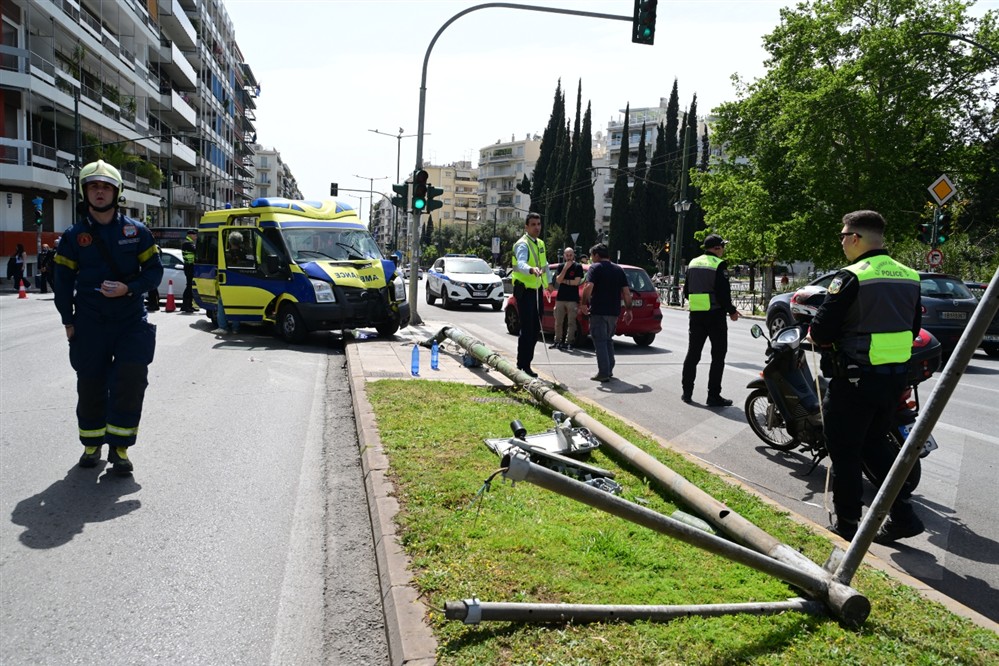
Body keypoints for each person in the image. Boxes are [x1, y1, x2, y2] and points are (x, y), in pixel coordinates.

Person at [809, 210, 923, 544]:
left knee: (845, 452)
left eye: (844, 236)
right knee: (875, 444)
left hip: (854, 380)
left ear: (856, 238)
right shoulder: (909, 275)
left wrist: (825, 338)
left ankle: (846, 525)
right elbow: (913, 327)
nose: (843, 242)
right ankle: (903, 514)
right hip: (893, 379)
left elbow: (821, 330)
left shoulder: (851, 276)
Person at [53, 159, 162, 475]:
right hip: (89, 323)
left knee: (130, 381)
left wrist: (129, 288)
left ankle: (120, 447)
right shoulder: (74, 237)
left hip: (130, 322)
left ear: (117, 192)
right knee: (90, 383)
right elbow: (62, 283)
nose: (99, 191)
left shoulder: (136, 232)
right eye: (93, 186)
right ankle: (91, 443)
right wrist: (68, 321)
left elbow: (153, 272)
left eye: (106, 186)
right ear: (85, 192)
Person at [681, 234, 740, 406]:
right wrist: (732, 311)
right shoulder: (718, 265)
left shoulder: (692, 263)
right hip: (715, 315)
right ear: (716, 248)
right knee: (718, 356)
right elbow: (723, 294)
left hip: (696, 315)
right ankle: (713, 396)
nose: (723, 250)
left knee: (693, 354)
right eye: (722, 247)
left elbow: (686, 292)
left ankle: (687, 392)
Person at [579, 243, 632, 383]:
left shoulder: (595, 268)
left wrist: (584, 303)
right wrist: (628, 310)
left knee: (600, 341)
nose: (591, 259)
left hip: (599, 311)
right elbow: (626, 292)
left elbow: (588, 286)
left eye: (592, 256)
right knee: (608, 339)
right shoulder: (618, 270)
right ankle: (609, 369)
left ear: (596, 255)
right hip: (614, 312)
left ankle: (603, 372)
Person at [510, 212, 547, 377]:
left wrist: (549, 285)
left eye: (538, 224)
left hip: (538, 290)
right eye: (533, 224)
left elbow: (544, 265)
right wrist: (531, 270)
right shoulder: (522, 244)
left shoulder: (540, 243)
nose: (537, 227)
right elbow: (522, 263)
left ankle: (527, 363)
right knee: (527, 329)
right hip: (525, 291)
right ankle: (522, 365)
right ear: (526, 227)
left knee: (535, 329)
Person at [550, 247, 585, 351]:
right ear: (564, 256)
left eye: (571, 255)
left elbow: (576, 282)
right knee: (558, 321)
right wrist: (565, 269)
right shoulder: (561, 266)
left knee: (571, 322)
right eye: (567, 255)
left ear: (573, 255)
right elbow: (558, 280)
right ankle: (557, 341)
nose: (569, 257)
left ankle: (568, 342)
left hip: (572, 299)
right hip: (561, 298)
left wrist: (564, 281)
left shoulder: (578, 266)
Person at [180, 232, 197, 312]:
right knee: (189, 286)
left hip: (190, 266)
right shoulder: (187, 243)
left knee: (190, 287)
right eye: (195, 235)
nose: (196, 237)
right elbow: (196, 251)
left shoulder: (189, 243)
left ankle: (188, 305)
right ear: (190, 235)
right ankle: (185, 305)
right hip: (189, 266)